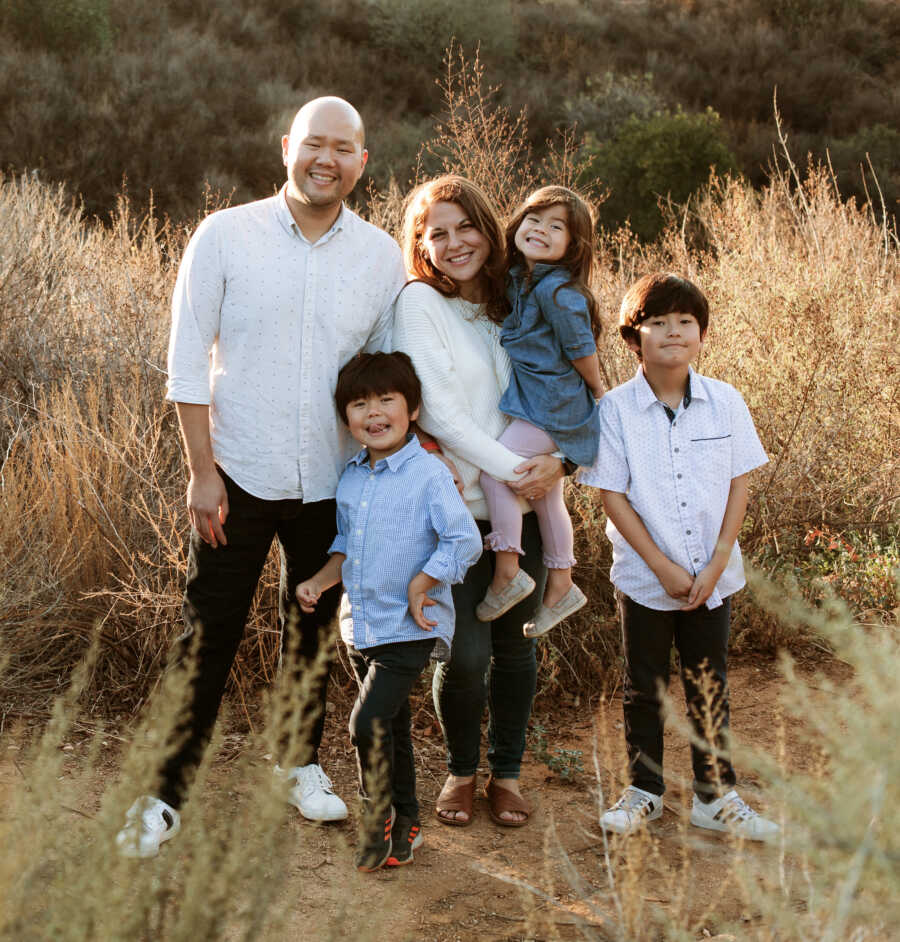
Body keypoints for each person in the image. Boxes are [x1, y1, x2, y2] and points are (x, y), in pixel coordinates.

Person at [116, 97, 407, 859]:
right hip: (236, 474)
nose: (328, 160)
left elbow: (379, 380)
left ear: (362, 162)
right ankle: (161, 793)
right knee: (205, 635)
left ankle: (296, 763)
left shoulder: (380, 255)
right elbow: (186, 361)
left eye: (345, 149)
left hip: (331, 480)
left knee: (310, 632)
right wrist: (201, 472)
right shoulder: (225, 235)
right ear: (288, 148)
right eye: (315, 144)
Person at [393, 174, 567, 828]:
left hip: (531, 507)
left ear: (488, 230)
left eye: (466, 226)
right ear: (421, 244)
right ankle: (462, 772)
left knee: (517, 645)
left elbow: (565, 391)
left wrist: (563, 461)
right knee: (465, 653)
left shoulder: (515, 302)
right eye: (438, 232)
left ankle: (509, 772)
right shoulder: (418, 304)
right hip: (459, 511)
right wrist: (518, 470)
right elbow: (438, 412)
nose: (456, 241)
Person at [580, 272, 779, 841]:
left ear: (703, 334)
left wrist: (716, 563)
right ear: (633, 336)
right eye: (658, 322)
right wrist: (663, 567)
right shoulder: (615, 410)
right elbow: (610, 495)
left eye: (685, 322)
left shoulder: (725, 401)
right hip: (646, 578)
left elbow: (741, 483)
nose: (673, 332)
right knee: (644, 685)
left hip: (713, 577)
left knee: (707, 683)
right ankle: (644, 791)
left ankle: (715, 798)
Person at [296, 352, 482, 871]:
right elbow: (346, 545)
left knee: (367, 721)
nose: (373, 413)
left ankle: (375, 816)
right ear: (346, 417)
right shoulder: (352, 477)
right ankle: (407, 822)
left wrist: (424, 581)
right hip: (361, 624)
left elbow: (464, 540)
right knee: (392, 728)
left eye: (386, 400)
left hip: (409, 625)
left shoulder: (428, 474)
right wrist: (318, 581)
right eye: (359, 404)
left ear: (413, 409)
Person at [477, 186, 604, 638]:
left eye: (557, 227)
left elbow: (580, 347)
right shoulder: (521, 278)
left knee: (498, 472)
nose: (541, 231)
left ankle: (508, 568)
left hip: (553, 407)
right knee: (545, 493)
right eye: (534, 219)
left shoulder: (558, 291)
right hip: (543, 404)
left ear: (574, 245)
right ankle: (562, 585)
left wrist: (597, 390)